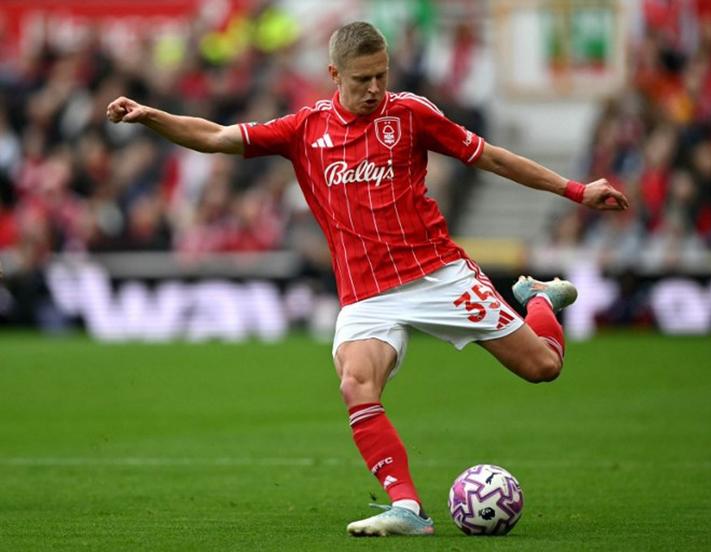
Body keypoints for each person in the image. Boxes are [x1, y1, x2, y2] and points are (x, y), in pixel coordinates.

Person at [106, 21, 629, 537]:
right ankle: (407, 508)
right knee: (355, 382)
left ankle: (538, 299)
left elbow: (490, 156)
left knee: (544, 367)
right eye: (361, 80)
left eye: (381, 75)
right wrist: (151, 116)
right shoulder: (304, 130)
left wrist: (576, 191)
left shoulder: (410, 114)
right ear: (334, 74)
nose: (375, 89)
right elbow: (217, 136)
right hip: (367, 295)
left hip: (437, 274)